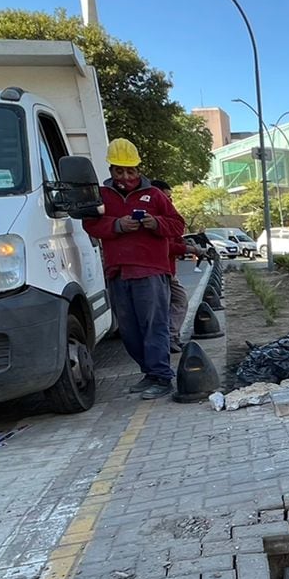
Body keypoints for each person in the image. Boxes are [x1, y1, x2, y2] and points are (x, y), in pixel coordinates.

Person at [83, 138, 183, 399]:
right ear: (111, 170)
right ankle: (149, 373)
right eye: (119, 171)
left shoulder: (156, 196)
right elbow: (90, 225)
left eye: (131, 171)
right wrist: (117, 225)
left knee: (154, 326)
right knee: (129, 331)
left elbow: (177, 225)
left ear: (139, 170)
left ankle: (162, 377)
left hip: (150, 271)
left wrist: (155, 223)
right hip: (118, 272)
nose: (126, 177)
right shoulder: (102, 197)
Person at [153, 180, 204, 350]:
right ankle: (169, 338)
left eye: (170, 197)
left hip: (167, 270)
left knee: (175, 302)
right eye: (165, 197)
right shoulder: (154, 218)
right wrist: (189, 248)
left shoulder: (166, 215)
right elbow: (165, 246)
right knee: (178, 301)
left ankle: (170, 337)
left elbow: (173, 237)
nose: (169, 201)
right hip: (160, 270)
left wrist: (185, 243)